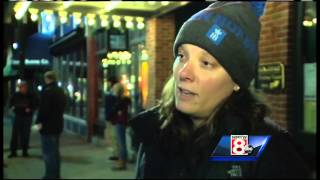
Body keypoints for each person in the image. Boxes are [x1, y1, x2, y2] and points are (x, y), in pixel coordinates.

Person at [129, 2, 312, 179]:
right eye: (182, 56)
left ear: (236, 80)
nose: (184, 73)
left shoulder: (258, 146)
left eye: (206, 63)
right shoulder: (155, 133)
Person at [35, 70, 66, 179]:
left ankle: (50, 175)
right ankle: (56, 174)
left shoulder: (47, 92)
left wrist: (38, 122)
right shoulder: (60, 91)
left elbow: (43, 110)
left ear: (46, 79)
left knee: (48, 152)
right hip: (58, 125)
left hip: (48, 126)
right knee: (55, 152)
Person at [8, 80, 38, 158]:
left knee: (25, 134)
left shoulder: (31, 95)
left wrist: (30, 109)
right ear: (20, 88)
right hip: (17, 116)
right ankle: (13, 151)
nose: (24, 89)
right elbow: (10, 103)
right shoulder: (15, 95)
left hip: (27, 117)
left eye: (25, 87)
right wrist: (12, 108)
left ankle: (25, 151)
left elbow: (35, 104)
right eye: (22, 87)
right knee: (15, 134)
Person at [110, 82, 131, 171]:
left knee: (121, 143)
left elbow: (116, 111)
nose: (113, 90)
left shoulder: (121, 100)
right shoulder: (123, 100)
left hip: (120, 122)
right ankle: (122, 161)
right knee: (121, 143)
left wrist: (116, 111)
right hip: (121, 122)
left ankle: (122, 163)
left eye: (114, 89)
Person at [104, 77, 120, 161]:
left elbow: (113, 108)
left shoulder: (114, 96)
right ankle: (115, 153)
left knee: (114, 136)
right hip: (110, 117)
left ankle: (116, 154)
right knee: (111, 136)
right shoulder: (111, 94)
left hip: (112, 118)